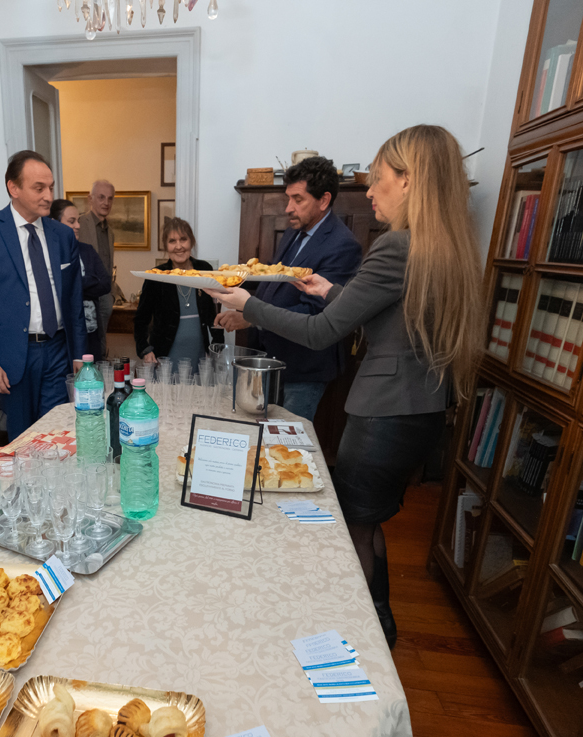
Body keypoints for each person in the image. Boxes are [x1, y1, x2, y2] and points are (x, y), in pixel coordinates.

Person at [207, 126, 484, 648]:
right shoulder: (441, 245)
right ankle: (379, 624)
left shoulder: (396, 246)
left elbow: (318, 333)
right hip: (417, 409)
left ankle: (367, 636)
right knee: (367, 521)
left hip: (384, 415)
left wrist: (248, 305)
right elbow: (389, 317)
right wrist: (331, 289)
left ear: (410, 182)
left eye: (379, 180)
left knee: (355, 526)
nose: (373, 192)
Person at [216, 156, 361, 422]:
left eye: (298, 199)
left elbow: (314, 313)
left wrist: (251, 317)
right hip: (272, 360)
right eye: (288, 198)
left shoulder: (342, 245)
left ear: (324, 200)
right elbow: (273, 283)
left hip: (304, 369)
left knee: (286, 446)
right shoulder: (295, 231)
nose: (288, 208)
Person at [0, 150, 87, 440]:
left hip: (58, 351)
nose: (48, 195)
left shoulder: (62, 235)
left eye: (51, 187)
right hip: (12, 357)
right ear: (13, 188)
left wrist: (80, 353)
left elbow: (74, 301)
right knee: (22, 439)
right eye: (38, 188)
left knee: (57, 436)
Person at [134, 218, 223, 369]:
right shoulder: (156, 276)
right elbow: (141, 319)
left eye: (183, 239)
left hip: (199, 355)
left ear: (191, 242)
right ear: (166, 246)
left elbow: (214, 313)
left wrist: (217, 345)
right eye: (172, 241)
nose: (178, 246)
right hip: (165, 356)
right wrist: (145, 349)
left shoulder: (204, 269)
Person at [51, 198, 112, 362]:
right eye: (72, 221)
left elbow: (106, 283)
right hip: (64, 336)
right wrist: (90, 280)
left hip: (92, 333)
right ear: (54, 224)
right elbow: (56, 288)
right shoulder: (48, 255)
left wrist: (75, 283)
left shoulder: (87, 250)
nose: (78, 225)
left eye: (78, 220)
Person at [77, 180, 117, 354]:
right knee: (87, 346)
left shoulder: (110, 231)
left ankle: (101, 373)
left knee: (101, 341)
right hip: (85, 297)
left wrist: (113, 295)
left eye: (110, 198)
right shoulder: (78, 225)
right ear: (90, 199)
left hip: (105, 296)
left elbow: (109, 266)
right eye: (101, 197)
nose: (106, 203)